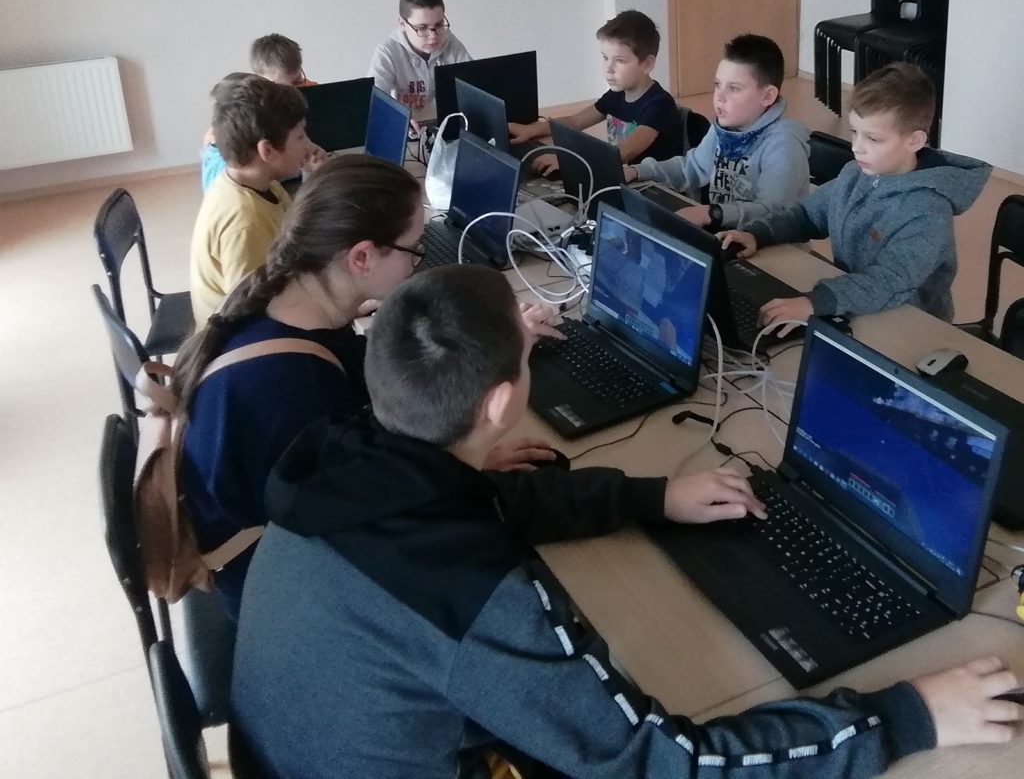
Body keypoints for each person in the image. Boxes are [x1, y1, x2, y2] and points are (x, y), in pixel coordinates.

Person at [231, 264, 1019, 777]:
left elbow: (489, 500)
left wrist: (654, 498)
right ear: (503, 403)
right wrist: (907, 717)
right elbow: (665, 762)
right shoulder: (474, 594)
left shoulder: (342, 460)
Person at [177, 156, 558, 620]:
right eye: (414, 248)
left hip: (286, 546)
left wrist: (504, 338)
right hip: (273, 593)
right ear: (360, 257)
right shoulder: (291, 383)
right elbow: (366, 501)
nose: (418, 261)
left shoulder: (289, 305)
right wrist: (461, 460)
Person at [719, 63, 992, 332]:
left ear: (914, 141)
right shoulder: (856, 173)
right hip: (856, 301)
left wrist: (815, 302)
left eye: (873, 139)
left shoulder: (927, 211)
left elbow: (888, 282)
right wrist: (758, 235)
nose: (857, 148)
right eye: (854, 132)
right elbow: (808, 215)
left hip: (912, 323)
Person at [625, 33, 809, 231]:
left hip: (769, 243)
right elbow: (692, 168)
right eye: (717, 85)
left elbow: (774, 212)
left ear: (767, 96)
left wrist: (712, 214)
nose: (719, 97)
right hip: (724, 232)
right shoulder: (725, 127)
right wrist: (638, 171)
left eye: (734, 88)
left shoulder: (783, 143)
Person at [189, 76, 311, 326]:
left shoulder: (261, 182)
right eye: (300, 137)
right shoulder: (245, 221)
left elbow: (295, 236)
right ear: (267, 151)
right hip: (238, 337)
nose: (308, 146)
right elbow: (249, 312)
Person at [510, 9, 684, 176]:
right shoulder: (616, 95)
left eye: (620, 61)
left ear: (647, 64)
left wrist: (568, 160)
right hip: (620, 174)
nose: (608, 69)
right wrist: (531, 130)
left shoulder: (659, 105)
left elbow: (625, 152)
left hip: (652, 185)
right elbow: (575, 121)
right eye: (605, 58)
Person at [202, 36, 321, 193]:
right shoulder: (234, 170)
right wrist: (309, 173)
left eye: (298, 81)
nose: (292, 92)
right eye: (279, 88)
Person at [367, 0, 471, 123]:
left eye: (439, 25)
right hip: (407, 129)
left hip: (446, 125)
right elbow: (374, 102)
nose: (433, 36)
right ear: (402, 24)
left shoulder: (452, 45)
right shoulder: (388, 51)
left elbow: (475, 89)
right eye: (422, 28)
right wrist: (397, 119)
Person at [249, 32, 318, 87]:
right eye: (278, 87)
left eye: (297, 82)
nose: (292, 93)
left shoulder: (313, 89)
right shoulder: (252, 98)